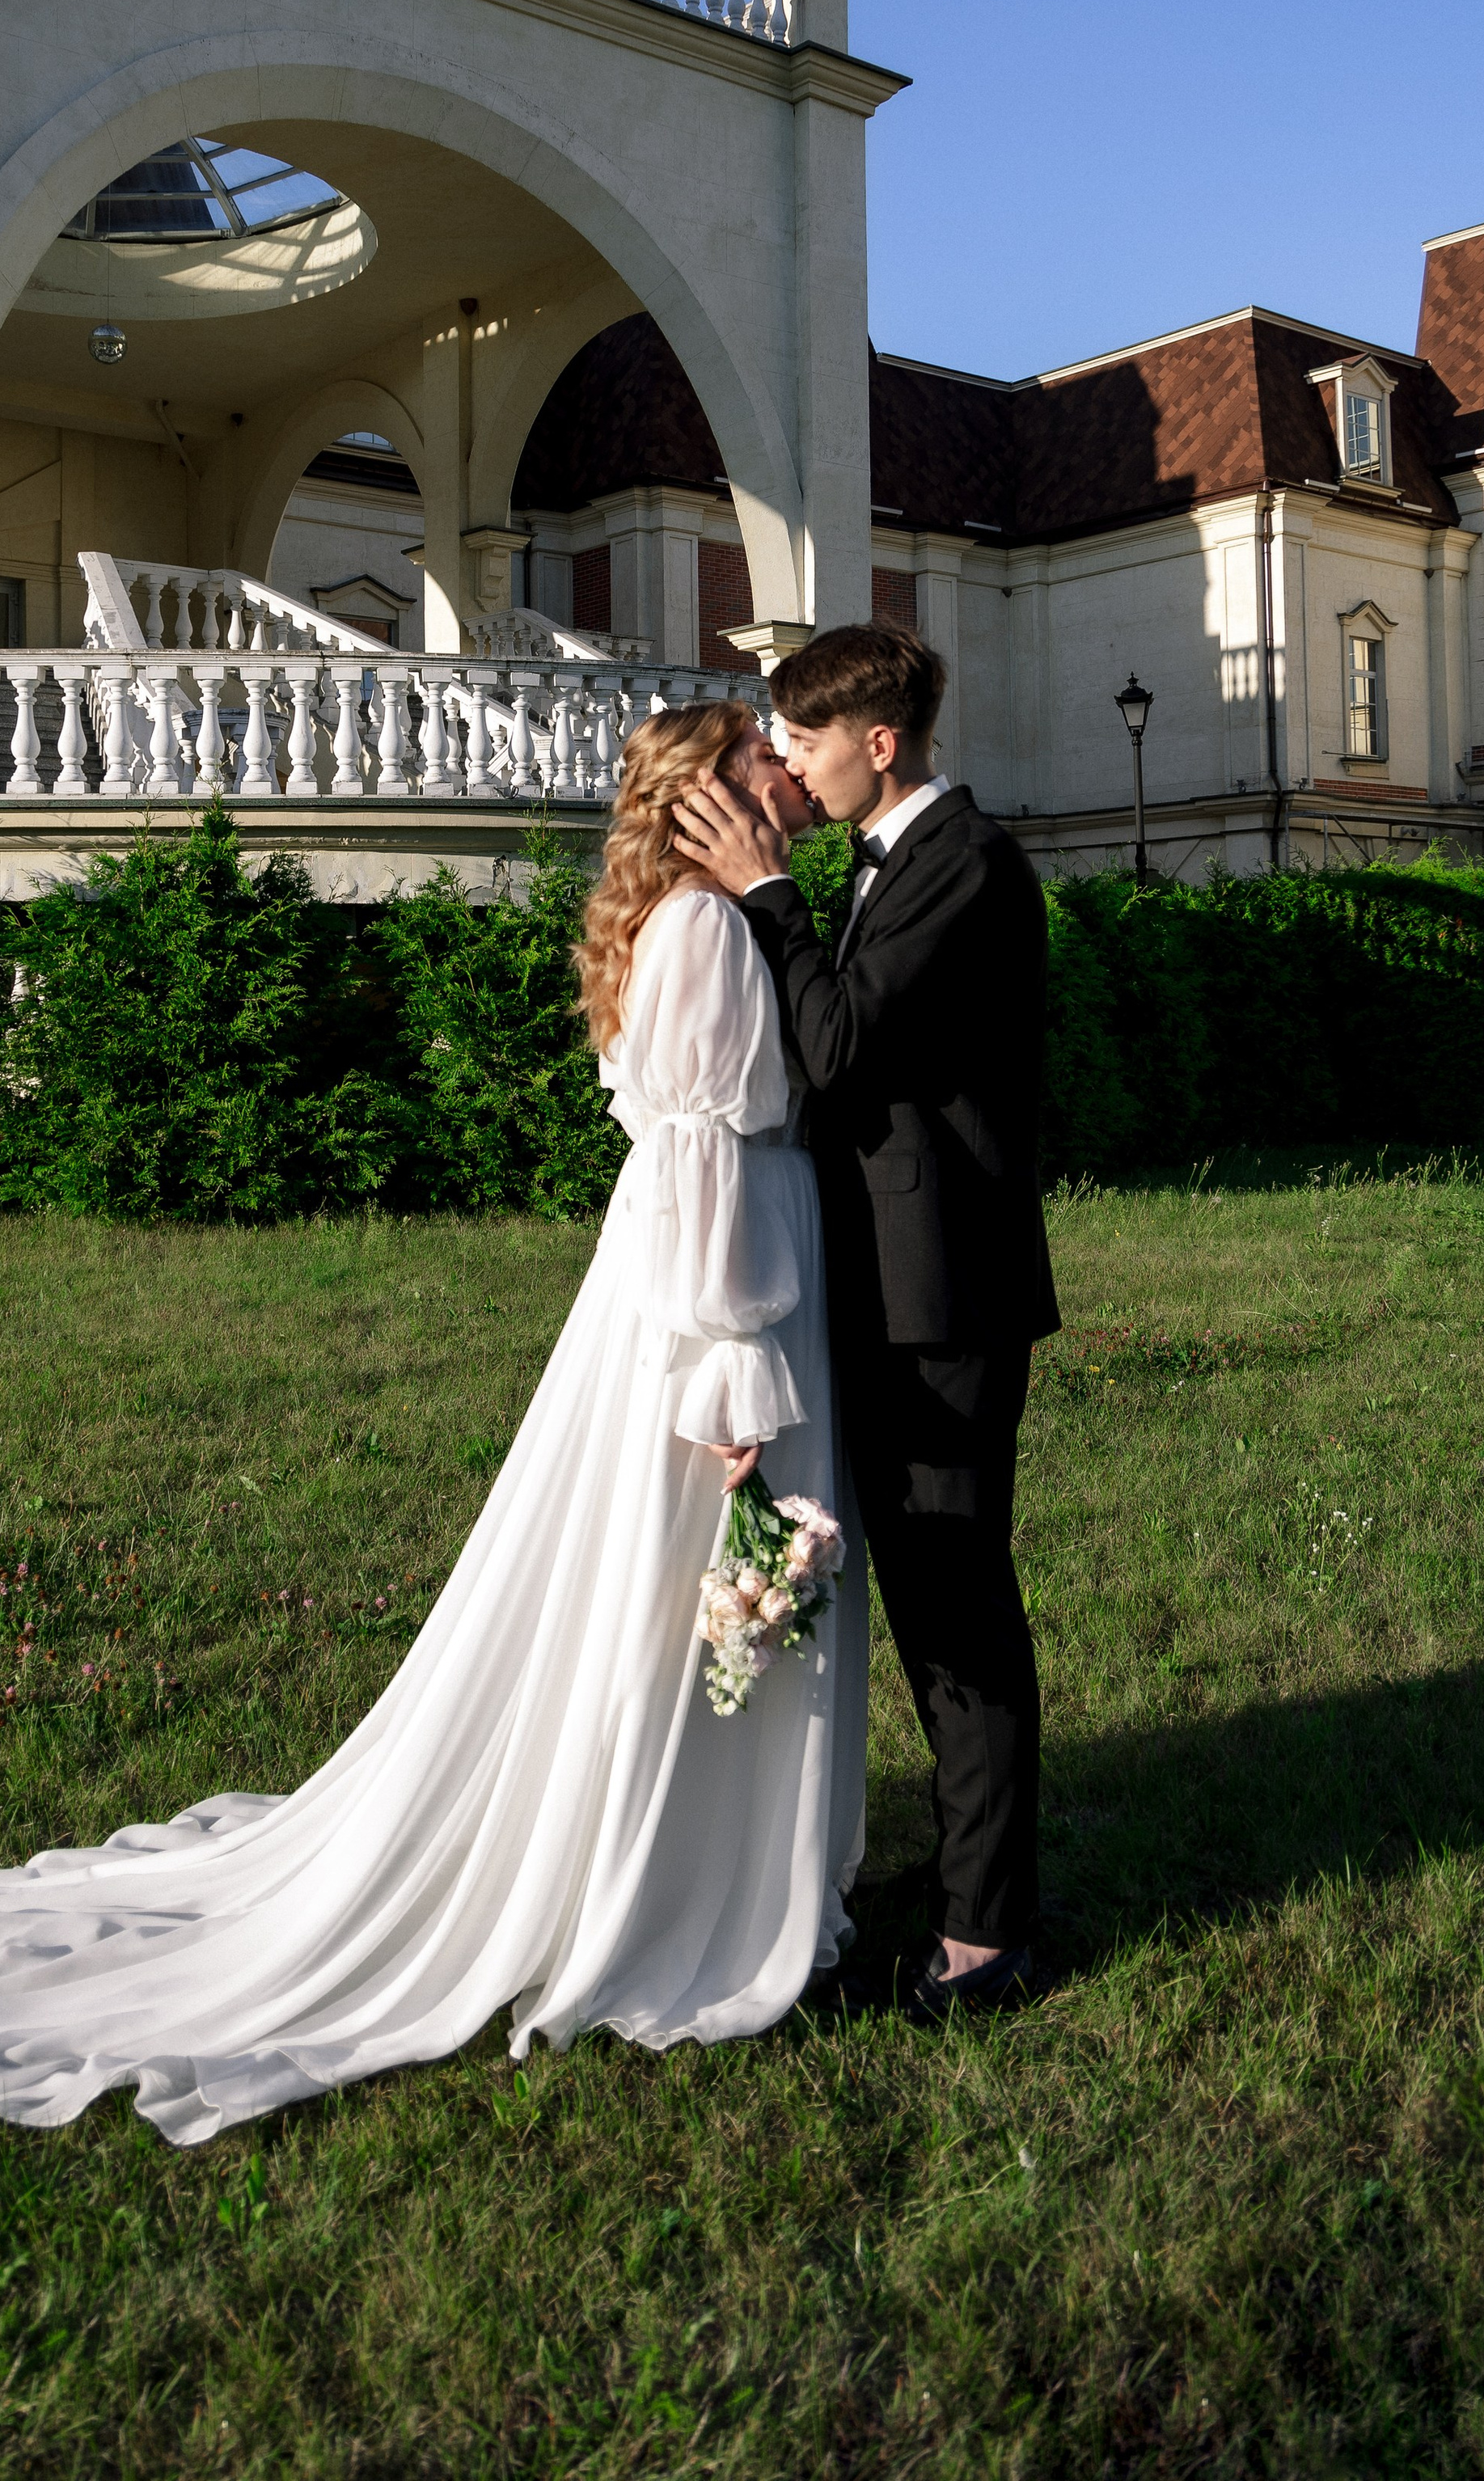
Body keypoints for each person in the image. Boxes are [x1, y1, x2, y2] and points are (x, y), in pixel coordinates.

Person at [0, 703, 865, 2145]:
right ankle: (659, 1881)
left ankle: (708, 1858)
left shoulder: (715, 917)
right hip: (723, 1294)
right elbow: (698, 1159)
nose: (785, 764)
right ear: (704, 795)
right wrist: (730, 1371)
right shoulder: (704, 928)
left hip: (742, 1262)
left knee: (695, 1589)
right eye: (759, 752)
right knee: (681, 1577)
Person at [674, 622, 1059, 2018]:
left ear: (877, 743)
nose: (788, 764)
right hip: (894, 1295)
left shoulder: (967, 864)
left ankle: (989, 1938)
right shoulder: (891, 862)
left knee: (958, 1609)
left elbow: (834, 1045)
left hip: (944, 1307)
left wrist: (770, 894)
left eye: (803, 740)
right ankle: (966, 1883)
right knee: (924, 1609)